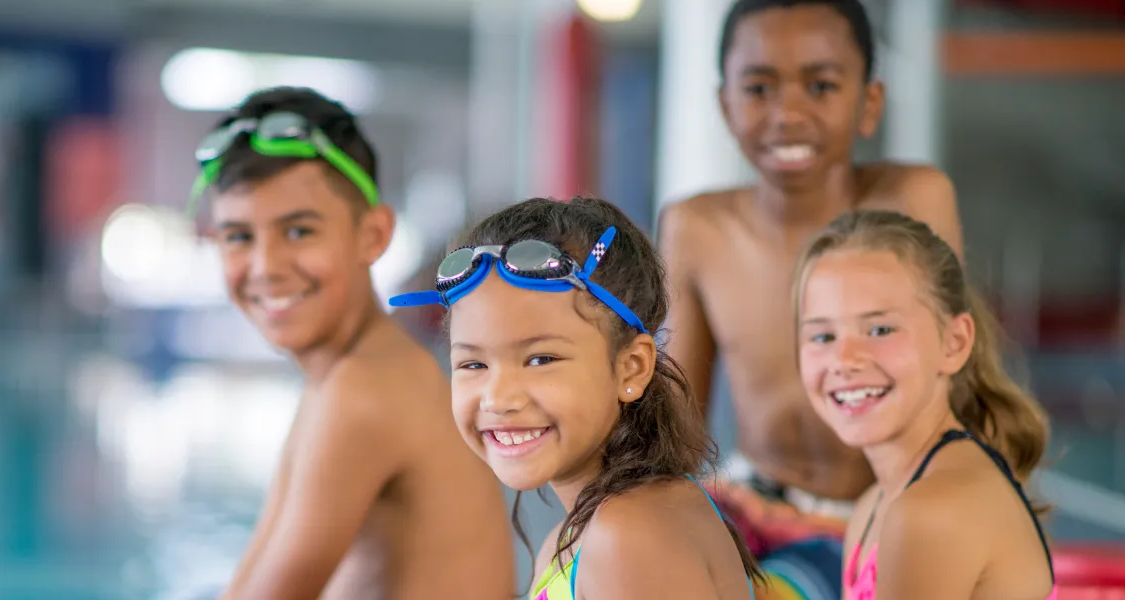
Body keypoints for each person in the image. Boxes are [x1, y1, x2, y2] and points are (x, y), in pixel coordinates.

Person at [659, 0, 965, 596]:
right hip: (748, 506)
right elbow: (677, 426)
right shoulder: (696, 227)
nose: (788, 113)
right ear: (726, 105)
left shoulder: (914, 200)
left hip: (876, 513)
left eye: (821, 85)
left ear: (868, 103)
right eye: (759, 87)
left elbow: (958, 391)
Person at [195, 87, 515, 599]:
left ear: (373, 234)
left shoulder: (365, 390)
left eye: (299, 231)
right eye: (238, 236)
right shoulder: (347, 373)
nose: (265, 267)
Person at [391, 196, 764, 599]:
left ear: (632, 367)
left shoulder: (628, 536)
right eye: (473, 365)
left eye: (540, 359)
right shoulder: (580, 536)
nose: (498, 398)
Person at [794, 210, 1055, 599]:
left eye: (880, 329)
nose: (845, 359)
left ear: (954, 342)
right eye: (823, 336)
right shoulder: (874, 507)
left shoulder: (930, 512)